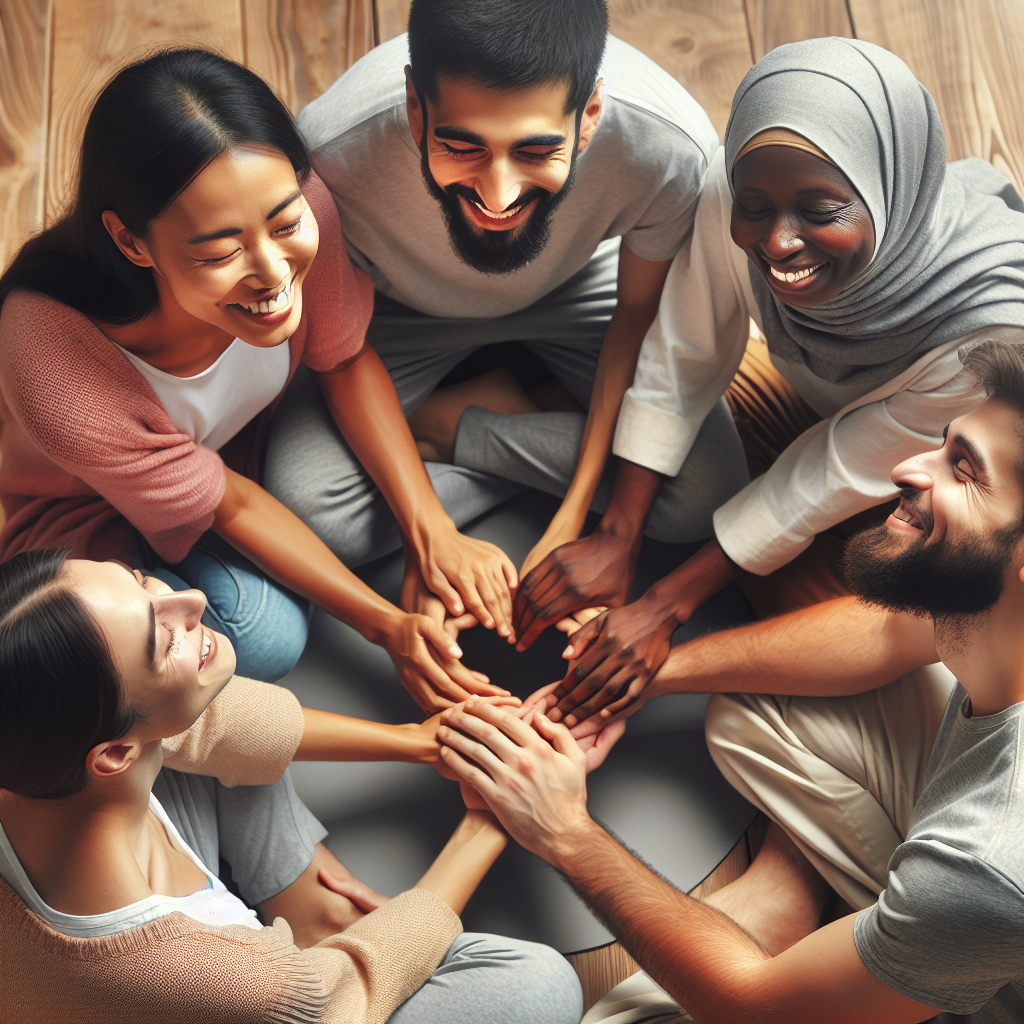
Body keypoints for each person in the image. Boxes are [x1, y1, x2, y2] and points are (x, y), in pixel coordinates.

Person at [437, 338, 1024, 1023]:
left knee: (622, 1020)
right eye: (942, 443)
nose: (905, 467)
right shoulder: (992, 604)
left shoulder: (988, 866)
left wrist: (564, 829)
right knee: (763, 711)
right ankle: (799, 896)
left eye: (962, 470)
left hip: (987, 969)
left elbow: (752, 1008)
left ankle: (894, 953)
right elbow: (890, 630)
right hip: (972, 901)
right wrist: (647, 674)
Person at [513, 37, 1024, 724]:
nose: (778, 244)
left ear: (890, 190)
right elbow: (684, 352)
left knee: (859, 673)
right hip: (823, 415)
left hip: (920, 483)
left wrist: (666, 606)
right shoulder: (735, 188)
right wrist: (617, 535)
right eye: (755, 207)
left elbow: (834, 467)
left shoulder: (994, 327)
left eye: (820, 211)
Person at [0, 48, 521, 712]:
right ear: (132, 244)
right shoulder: (55, 368)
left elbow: (343, 359)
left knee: (322, 525)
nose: (273, 272)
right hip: (101, 528)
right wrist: (389, 627)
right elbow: (231, 504)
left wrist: (432, 534)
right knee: (265, 637)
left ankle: (452, 431)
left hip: (238, 460)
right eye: (221, 252)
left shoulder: (307, 211)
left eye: (285, 222)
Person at [266, 0, 748, 595]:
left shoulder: (669, 146)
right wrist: (430, 533)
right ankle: (512, 412)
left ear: (590, 114)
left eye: (535, 151)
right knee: (311, 508)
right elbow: (340, 352)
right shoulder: (326, 157)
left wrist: (572, 516)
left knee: (703, 494)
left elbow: (637, 314)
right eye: (464, 147)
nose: (498, 197)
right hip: (395, 312)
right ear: (416, 109)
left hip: (578, 291)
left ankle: (447, 426)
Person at [0, 548, 583, 1023]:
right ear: (114, 755)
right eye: (163, 638)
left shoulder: (40, 747)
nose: (192, 600)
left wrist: (420, 741)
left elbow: (201, 724)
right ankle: (321, 929)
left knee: (193, 706)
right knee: (539, 986)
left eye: (140, 579)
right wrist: (498, 810)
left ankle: (308, 912)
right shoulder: (224, 978)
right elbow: (341, 995)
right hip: (263, 994)